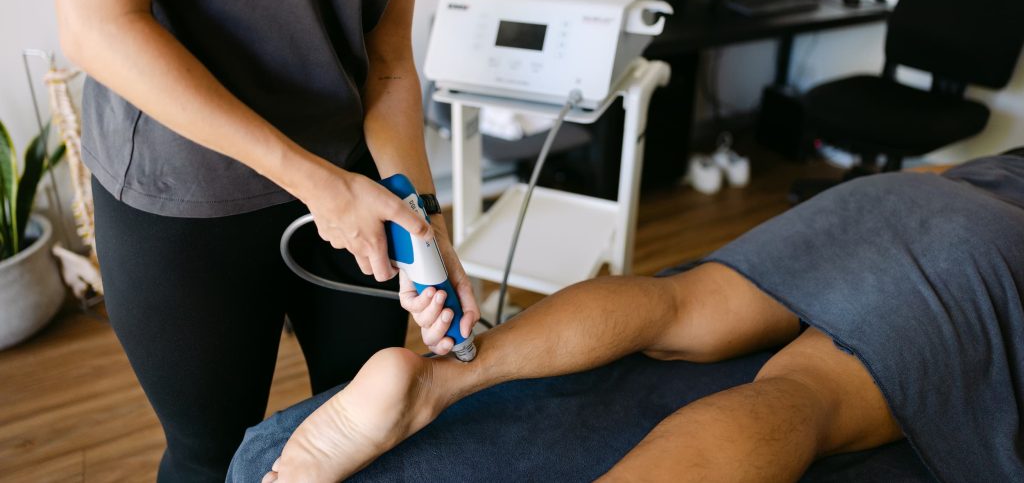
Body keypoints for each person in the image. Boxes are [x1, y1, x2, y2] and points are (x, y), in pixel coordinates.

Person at [52, 0, 478, 479]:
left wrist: (422, 217)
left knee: (367, 423)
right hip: (187, 190)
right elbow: (99, 22)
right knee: (212, 451)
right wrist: (318, 183)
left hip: (354, 190)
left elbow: (389, 56)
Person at [260, 152, 1024, 482]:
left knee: (679, 301)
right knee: (806, 395)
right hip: (990, 249)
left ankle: (437, 381)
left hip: (895, 195)